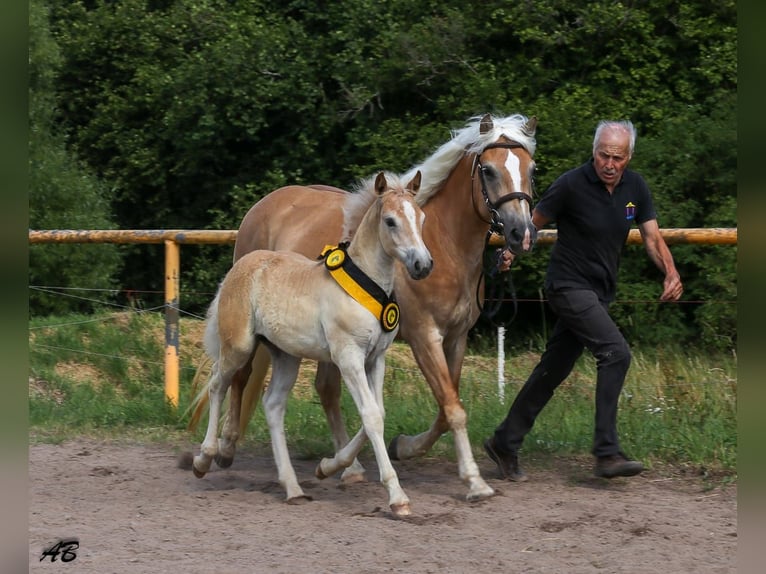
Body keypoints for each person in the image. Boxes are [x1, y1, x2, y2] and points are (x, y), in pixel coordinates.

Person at [485, 120, 683, 480]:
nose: (609, 164)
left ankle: (504, 441)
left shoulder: (635, 188)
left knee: (554, 369)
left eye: (617, 158)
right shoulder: (571, 183)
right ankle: (607, 452)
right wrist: (514, 250)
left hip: (598, 293)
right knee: (616, 353)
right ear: (594, 152)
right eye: (603, 155)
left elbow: (652, 238)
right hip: (567, 285)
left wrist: (671, 272)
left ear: (629, 157)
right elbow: (534, 223)